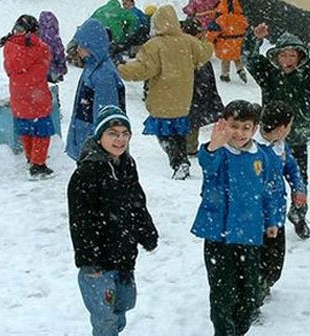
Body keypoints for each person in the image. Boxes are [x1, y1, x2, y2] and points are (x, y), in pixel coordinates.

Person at [190, 100, 281, 336]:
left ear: (254, 128)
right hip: (219, 235)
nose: (239, 133)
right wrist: (213, 145)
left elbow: (270, 190)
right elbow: (207, 164)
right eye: (234, 126)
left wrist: (272, 220)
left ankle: (239, 329)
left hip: (249, 234)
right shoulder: (217, 152)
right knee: (223, 292)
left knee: (249, 293)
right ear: (223, 125)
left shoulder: (262, 156)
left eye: (246, 127)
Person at [68, 105, 159, 336]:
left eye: (124, 134)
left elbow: (137, 203)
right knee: (104, 318)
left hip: (124, 256)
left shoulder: (127, 164)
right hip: (98, 264)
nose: (120, 140)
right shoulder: (86, 174)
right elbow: (81, 221)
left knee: (122, 308)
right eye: (112, 134)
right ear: (100, 137)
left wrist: (146, 233)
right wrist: (90, 259)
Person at [243, 22, 310, 235]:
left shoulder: (307, 76)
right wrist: (255, 39)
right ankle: (263, 218)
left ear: (299, 57)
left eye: (292, 56)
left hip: (296, 138)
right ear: (276, 56)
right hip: (269, 139)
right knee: (265, 180)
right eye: (283, 55)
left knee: (300, 180)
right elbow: (248, 58)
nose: (288, 60)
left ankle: (299, 214)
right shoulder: (268, 75)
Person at [118, 4, 213, 180]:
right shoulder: (188, 41)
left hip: (162, 98)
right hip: (183, 98)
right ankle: (181, 158)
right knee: (179, 131)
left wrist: (121, 69)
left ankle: (177, 161)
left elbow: (142, 69)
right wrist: (207, 42)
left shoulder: (154, 46)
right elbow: (204, 53)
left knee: (164, 133)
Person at [254, 101, 308, 306]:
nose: (290, 130)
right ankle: (254, 295)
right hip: (258, 219)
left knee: (275, 262)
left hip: (277, 216)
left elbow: (291, 167)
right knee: (260, 260)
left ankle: (265, 283)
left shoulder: (280, 146)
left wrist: (299, 188)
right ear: (281, 128)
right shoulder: (254, 150)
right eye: (290, 125)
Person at [0, 15, 55, 179]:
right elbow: (44, 67)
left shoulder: (9, 46)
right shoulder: (39, 47)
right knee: (41, 132)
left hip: (18, 95)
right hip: (36, 96)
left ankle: (31, 157)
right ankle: (38, 165)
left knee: (27, 130)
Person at [66, 19, 126, 161]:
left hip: (96, 149)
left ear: (92, 47)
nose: (78, 50)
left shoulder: (103, 75)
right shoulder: (92, 68)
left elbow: (107, 119)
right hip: (87, 141)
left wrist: (100, 149)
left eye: (81, 46)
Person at [181, 17, 224, 157]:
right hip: (198, 90)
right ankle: (190, 147)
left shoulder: (179, 47)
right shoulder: (200, 49)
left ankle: (184, 146)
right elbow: (208, 78)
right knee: (193, 119)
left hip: (184, 92)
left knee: (187, 118)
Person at [206, 0, 249, 83]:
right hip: (237, 42)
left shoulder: (221, 19)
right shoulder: (241, 18)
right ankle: (240, 69)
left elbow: (212, 32)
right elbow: (246, 28)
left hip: (225, 43)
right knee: (237, 58)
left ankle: (225, 75)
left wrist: (208, 41)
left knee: (226, 60)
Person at [38, 11, 67, 83]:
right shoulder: (54, 39)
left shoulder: (37, 37)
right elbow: (59, 54)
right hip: (52, 70)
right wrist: (62, 68)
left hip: (39, 70)